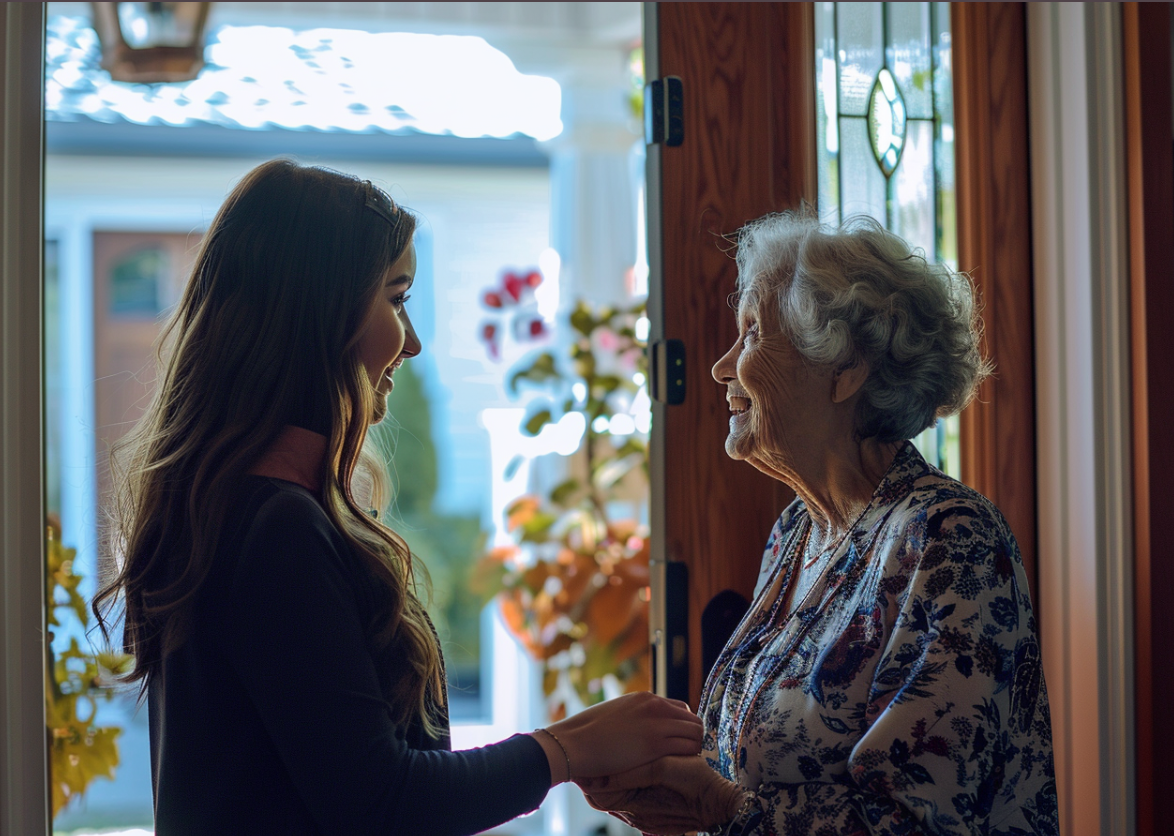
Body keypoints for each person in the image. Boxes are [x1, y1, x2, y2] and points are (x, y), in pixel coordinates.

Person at [93, 159, 703, 836]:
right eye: (397, 298)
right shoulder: (276, 529)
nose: (411, 344)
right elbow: (381, 803)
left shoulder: (230, 509)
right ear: (315, 312)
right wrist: (566, 750)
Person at [581, 213, 1058, 835]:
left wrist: (716, 807)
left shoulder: (949, 540)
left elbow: (916, 824)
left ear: (845, 368)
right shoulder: (798, 533)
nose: (723, 367)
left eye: (751, 334)